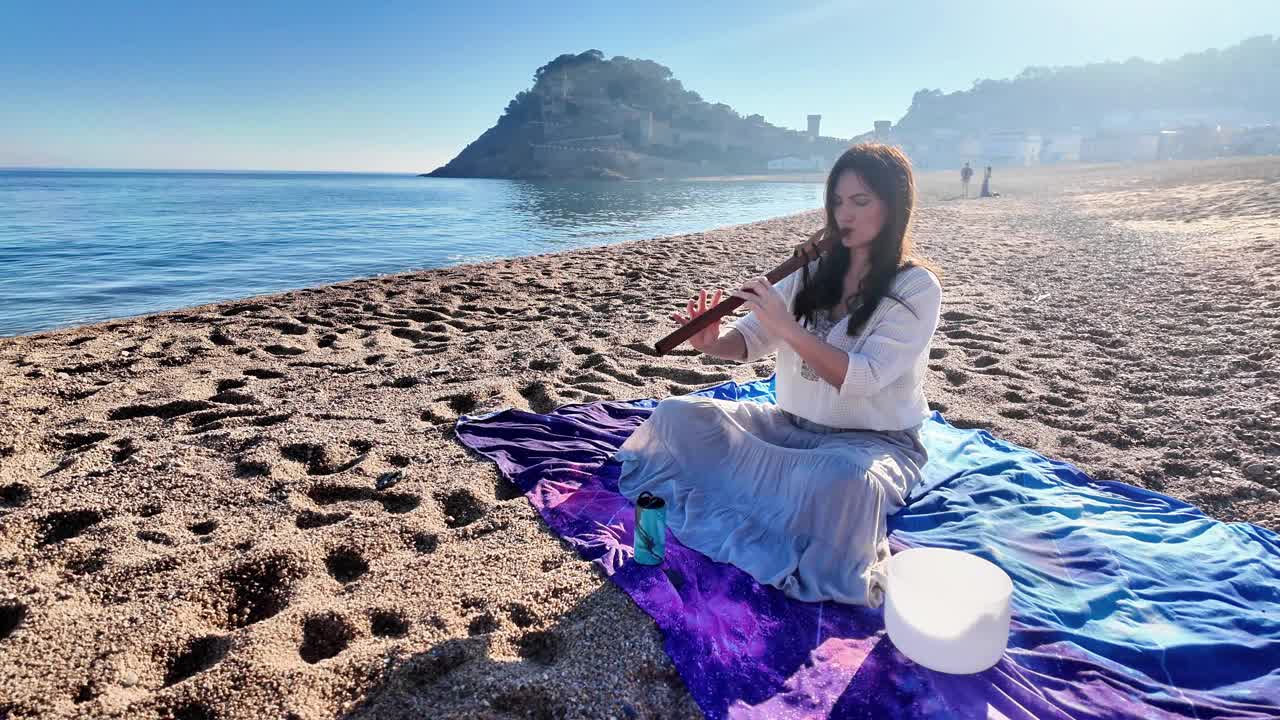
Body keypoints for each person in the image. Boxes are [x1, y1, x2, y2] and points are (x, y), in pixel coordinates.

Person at [614, 144, 943, 607]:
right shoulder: (810, 269)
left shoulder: (915, 288)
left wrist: (786, 325)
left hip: (871, 444)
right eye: (837, 201)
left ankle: (774, 502)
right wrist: (712, 341)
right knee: (677, 415)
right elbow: (748, 340)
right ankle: (770, 500)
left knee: (845, 483)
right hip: (788, 427)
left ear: (894, 206)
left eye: (860, 201)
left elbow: (863, 378)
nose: (843, 214)